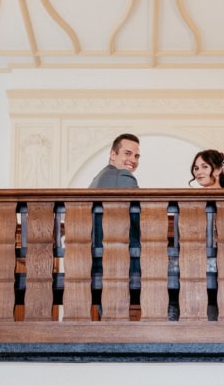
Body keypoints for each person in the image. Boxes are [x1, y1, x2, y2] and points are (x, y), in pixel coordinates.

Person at [88, 133, 141, 318]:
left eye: (136, 156)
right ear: (113, 154)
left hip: (98, 261)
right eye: (127, 153)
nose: (132, 160)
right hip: (124, 262)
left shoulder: (97, 179)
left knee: (110, 320)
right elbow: (139, 222)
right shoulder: (123, 176)